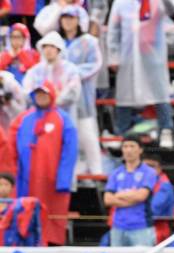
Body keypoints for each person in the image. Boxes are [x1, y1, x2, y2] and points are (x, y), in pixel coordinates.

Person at [8, 81, 78, 246]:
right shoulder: (23, 118)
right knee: (24, 210)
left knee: (50, 214)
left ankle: (51, 243)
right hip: (25, 177)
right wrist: (12, 173)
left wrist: (63, 180)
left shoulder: (63, 119)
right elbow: (10, 146)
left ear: (51, 95)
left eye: (44, 94)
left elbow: (70, 152)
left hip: (51, 180)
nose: (41, 98)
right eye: (38, 95)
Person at [107, 0, 174, 146]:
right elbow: (113, 30)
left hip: (153, 56)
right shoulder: (120, 3)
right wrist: (113, 56)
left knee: (160, 92)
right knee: (124, 95)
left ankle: (166, 130)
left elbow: (173, 9)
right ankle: (121, 132)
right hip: (128, 57)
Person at [59, 5, 104, 175]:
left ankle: (97, 171)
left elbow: (95, 64)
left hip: (83, 97)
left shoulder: (89, 42)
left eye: (71, 18)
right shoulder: (57, 42)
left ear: (79, 20)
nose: (67, 22)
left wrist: (72, 73)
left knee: (88, 135)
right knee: (70, 137)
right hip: (63, 99)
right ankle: (77, 171)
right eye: (64, 18)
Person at [104, 136, 157, 247]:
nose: (128, 150)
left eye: (132, 146)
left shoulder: (149, 172)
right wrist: (132, 197)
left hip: (141, 226)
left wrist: (119, 195)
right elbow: (107, 199)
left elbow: (141, 196)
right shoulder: (115, 173)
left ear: (140, 150)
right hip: (118, 226)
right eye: (125, 146)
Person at [23, 31, 82, 124]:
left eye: (52, 46)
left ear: (59, 49)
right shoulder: (34, 71)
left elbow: (73, 92)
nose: (48, 50)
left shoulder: (70, 70)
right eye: (45, 46)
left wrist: (54, 101)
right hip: (40, 118)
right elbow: (27, 92)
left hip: (64, 118)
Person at [0, 173, 46, 247]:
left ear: (12, 188)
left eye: (6, 185)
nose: (3, 188)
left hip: (11, 240)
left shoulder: (19, 205)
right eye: (0, 185)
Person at [143, 154, 174, 243]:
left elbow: (153, 210)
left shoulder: (164, 186)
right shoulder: (144, 182)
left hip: (159, 228)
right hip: (141, 225)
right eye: (145, 166)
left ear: (159, 168)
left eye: (152, 166)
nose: (148, 170)